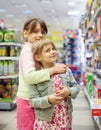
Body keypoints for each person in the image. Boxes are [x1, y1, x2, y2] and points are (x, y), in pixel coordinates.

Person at [16, 18, 67, 130]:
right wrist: (53, 70)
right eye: (35, 31)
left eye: (43, 32)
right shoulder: (27, 51)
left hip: (36, 98)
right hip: (27, 100)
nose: (40, 35)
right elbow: (29, 77)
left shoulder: (35, 49)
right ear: (25, 33)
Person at [29, 38, 80, 130]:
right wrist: (48, 99)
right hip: (45, 120)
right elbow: (32, 101)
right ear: (38, 57)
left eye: (53, 49)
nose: (53, 52)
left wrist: (68, 91)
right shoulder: (37, 76)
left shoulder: (65, 70)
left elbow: (76, 87)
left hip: (64, 117)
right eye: (48, 50)